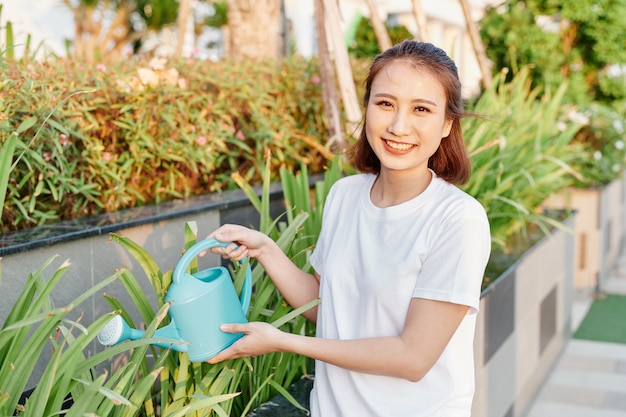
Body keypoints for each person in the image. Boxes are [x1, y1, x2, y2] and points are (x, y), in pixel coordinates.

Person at [207, 40, 491, 417]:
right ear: (368, 107)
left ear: (446, 125)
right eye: (385, 103)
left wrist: (283, 342)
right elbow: (328, 306)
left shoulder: (458, 219)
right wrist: (265, 250)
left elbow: (413, 357)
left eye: (421, 109)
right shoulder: (345, 195)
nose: (398, 125)